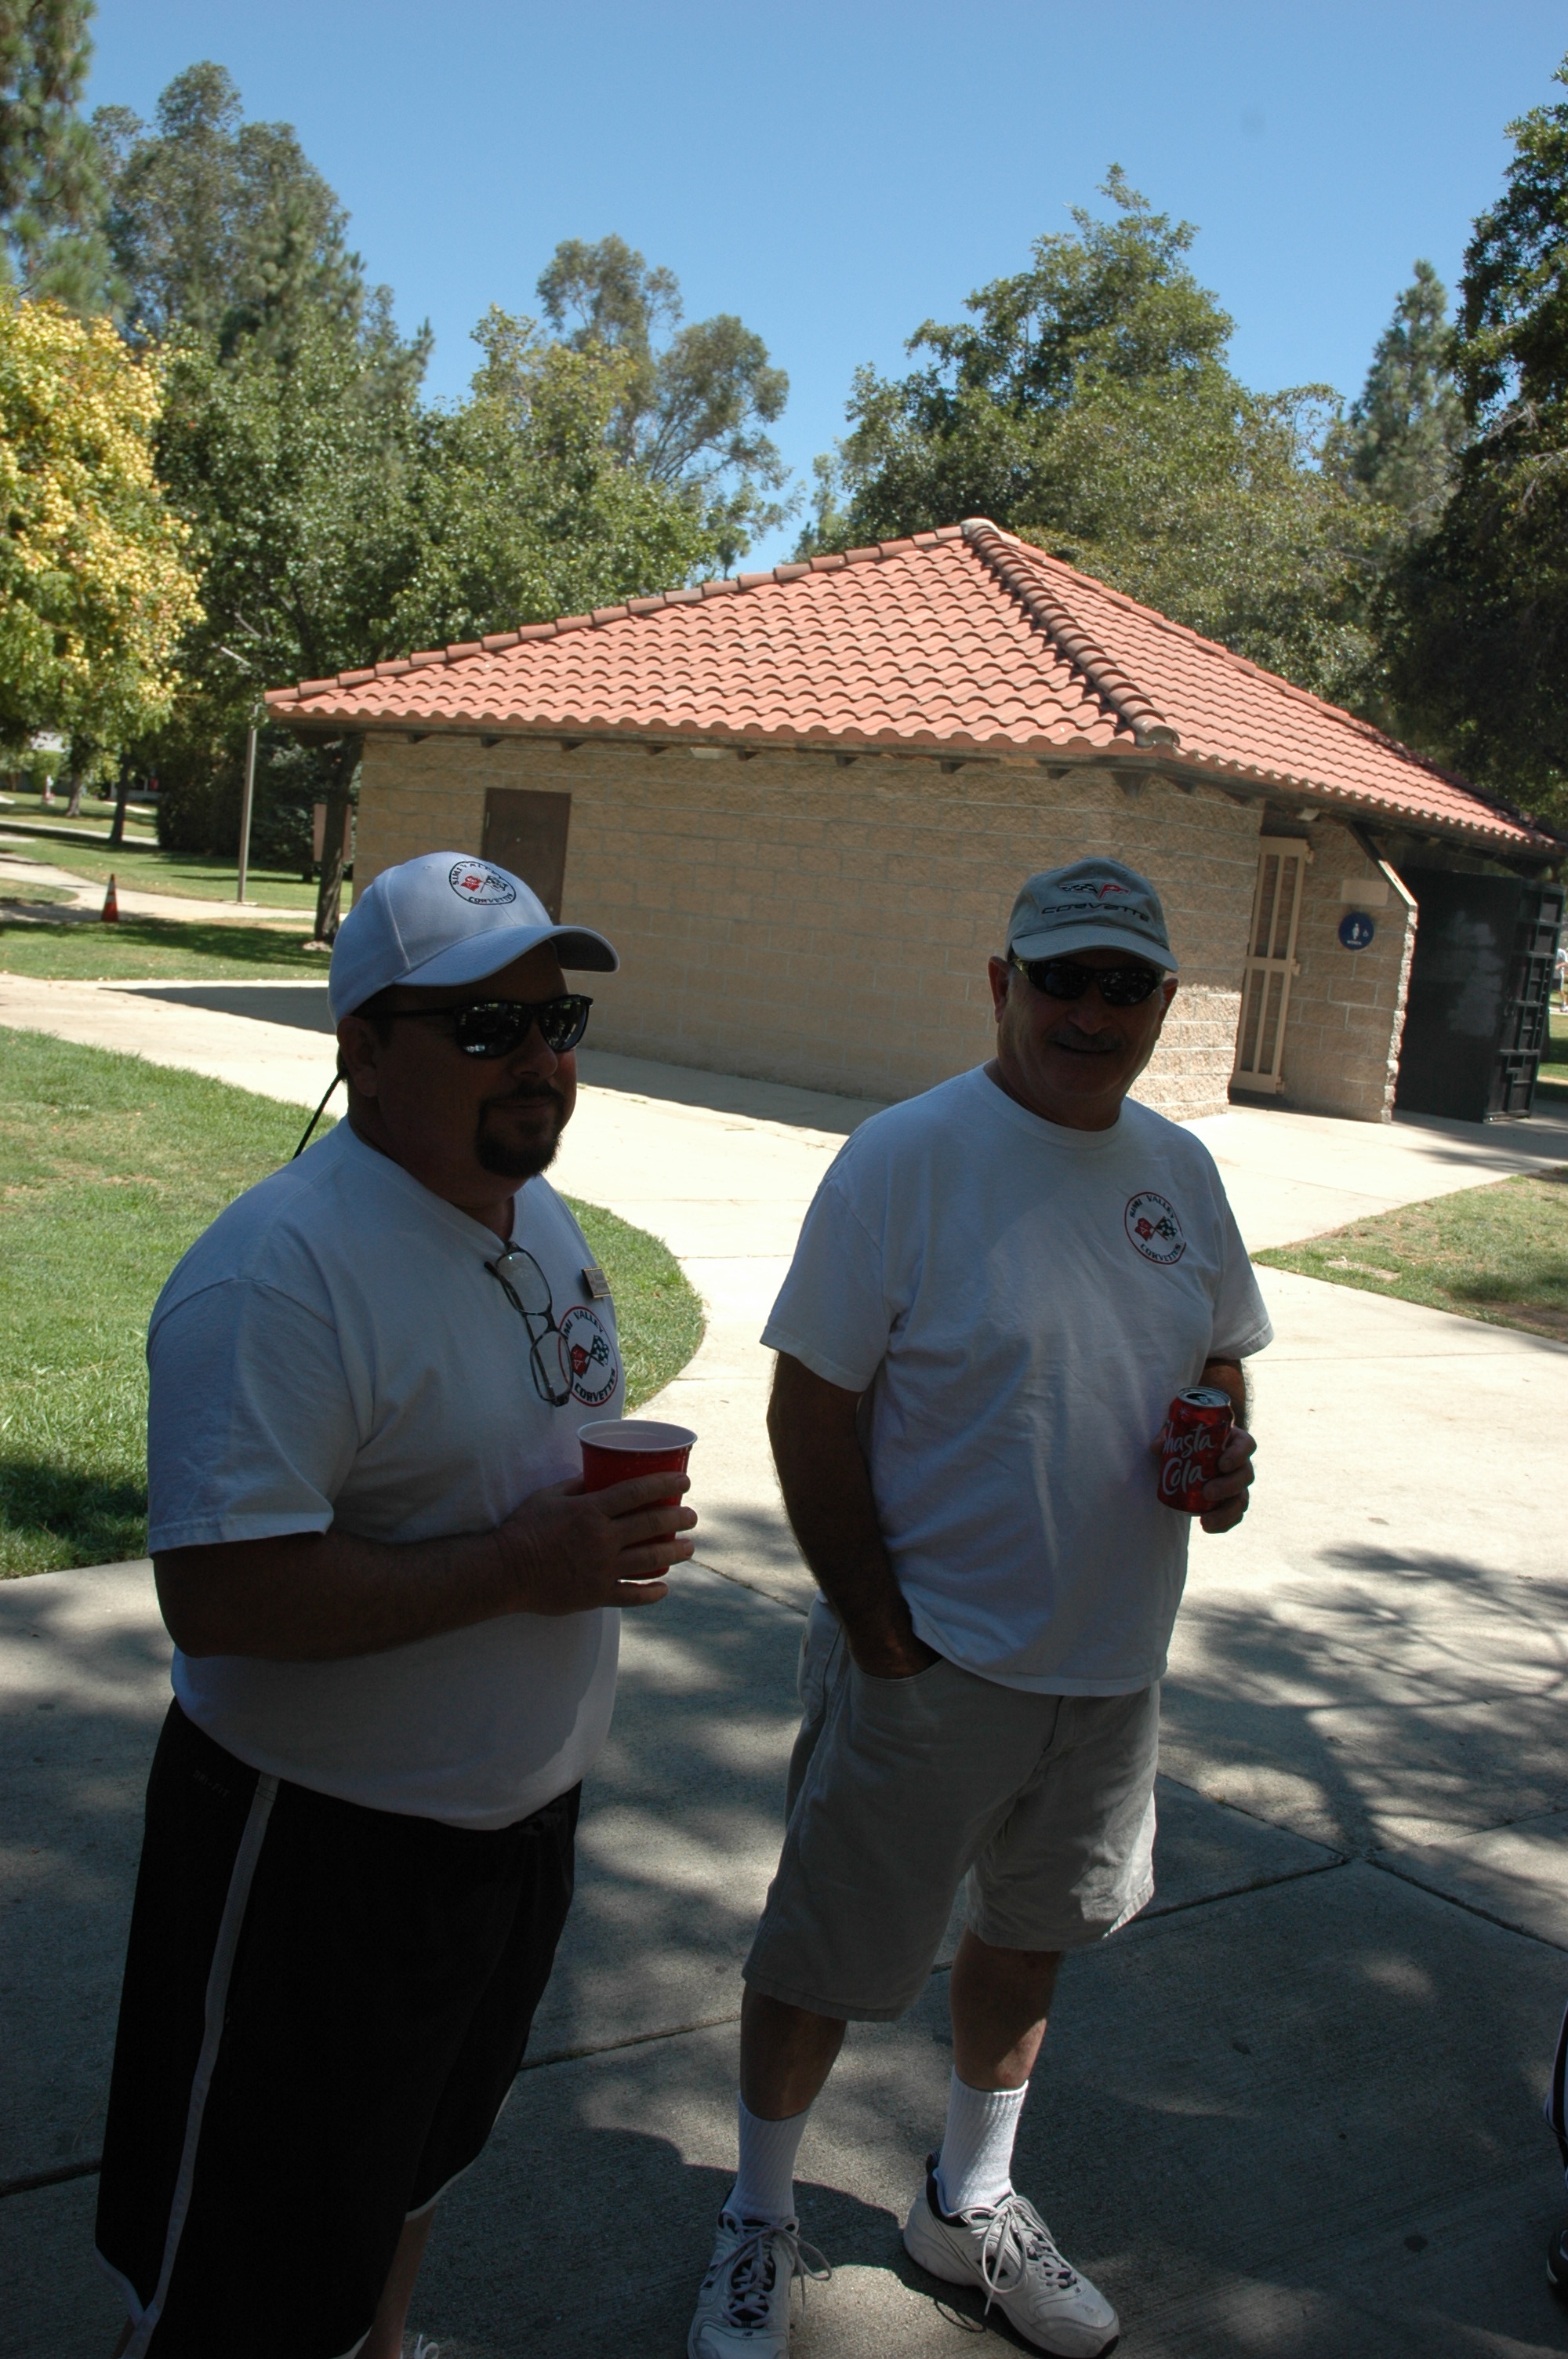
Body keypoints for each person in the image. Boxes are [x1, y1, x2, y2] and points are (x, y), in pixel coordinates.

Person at [96, 851, 698, 2359]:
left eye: (556, 1020)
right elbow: (223, 1595)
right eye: (486, 1030)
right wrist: (524, 1569)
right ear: (362, 1044)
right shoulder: (279, 1279)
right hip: (316, 1857)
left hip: (510, 1838)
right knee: (246, 2262)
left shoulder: (532, 1215)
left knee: (419, 2159)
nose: (543, 1063)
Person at [688, 858, 1272, 2359]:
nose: (1090, 1011)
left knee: (1030, 1942)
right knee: (821, 1959)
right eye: (1060, 979)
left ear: (1159, 1005)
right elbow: (811, 1406)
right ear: (1000, 985)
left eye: (1123, 985)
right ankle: (758, 2219)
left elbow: (1221, 1356)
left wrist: (1225, 1448)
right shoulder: (907, 1159)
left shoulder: (1178, 1170)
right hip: (932, 1659)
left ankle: (967, 2203)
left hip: (1110, 1666)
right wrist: (880, 1630)